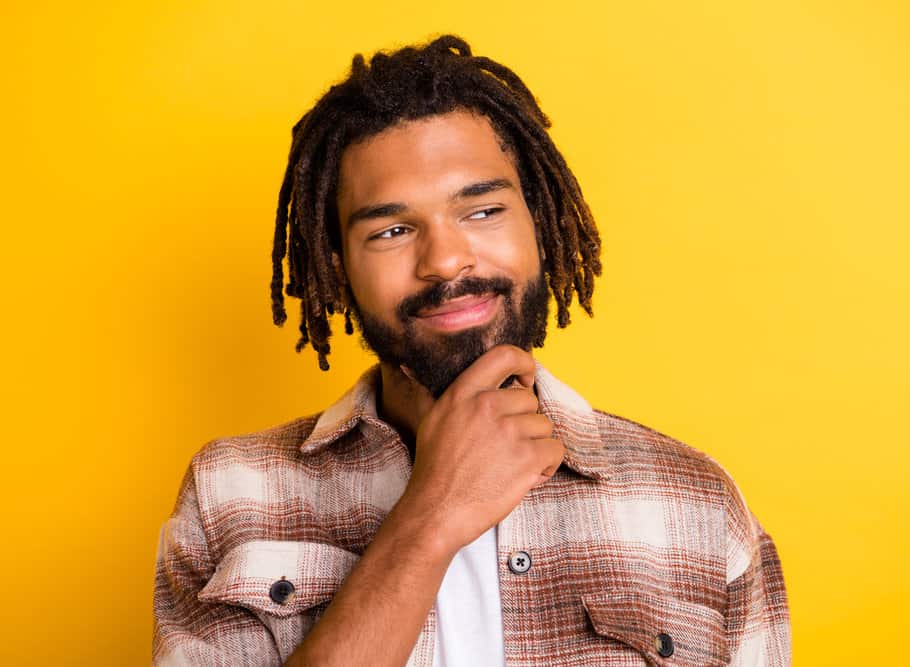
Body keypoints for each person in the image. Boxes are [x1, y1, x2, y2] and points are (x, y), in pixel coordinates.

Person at [153, 34, 791, 666]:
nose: (446, 259)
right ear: (336, 265)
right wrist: (430, 516)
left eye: (482, 211)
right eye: (393, 230)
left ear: (537, 223)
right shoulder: (230, 496)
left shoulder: (695, 504)